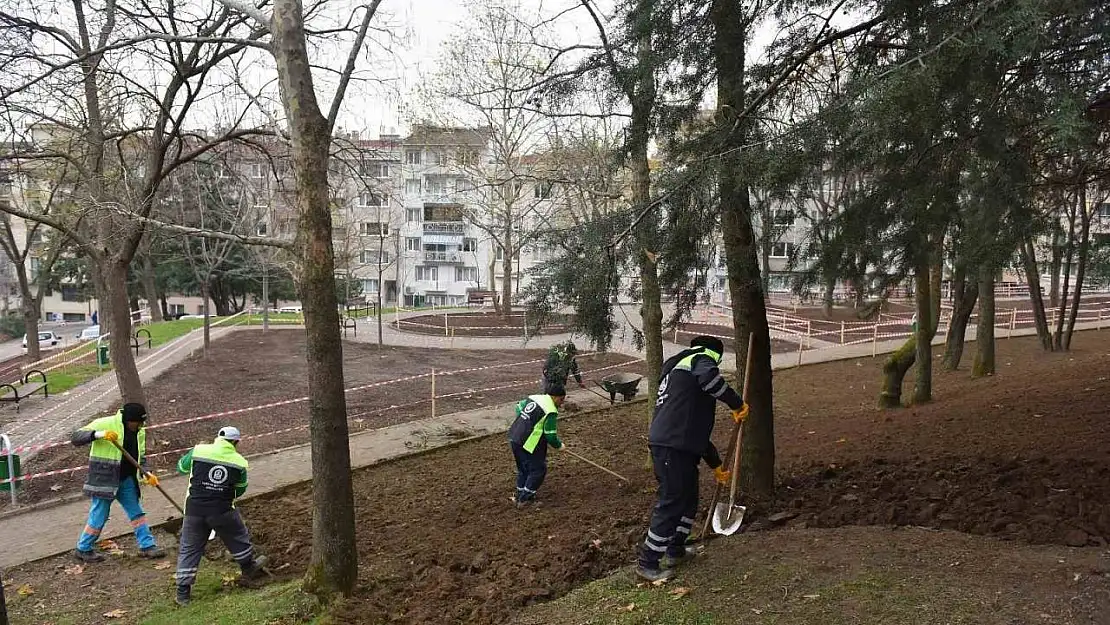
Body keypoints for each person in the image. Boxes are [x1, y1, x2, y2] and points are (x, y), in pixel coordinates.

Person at [636, 336, 749, 582]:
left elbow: (694, 432)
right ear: (714, 355)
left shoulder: (681, 376)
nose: (715, 364)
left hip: (677, 445)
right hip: (671, 447)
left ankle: (676, 550)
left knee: (688, 500)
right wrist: (736, 403)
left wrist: (717, 465)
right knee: (672, 501)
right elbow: (711, 380)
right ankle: (648, 562)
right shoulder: (699, 360)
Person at [173, 426, 268, 606]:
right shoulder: (239, 462)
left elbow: (180, 468)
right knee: (237, 536)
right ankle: (248, 567)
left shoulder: (199, 450)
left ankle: (183, 593)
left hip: (194, 510)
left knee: (189, 547)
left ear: (217, 438)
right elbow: (240, 488)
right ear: (236, 442)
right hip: (222, 510)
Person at [71, 402, 166, 562]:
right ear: (129, 420)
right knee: (99, 515)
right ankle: (83, 548)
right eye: (139, 422)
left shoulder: (139, 432)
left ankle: (147, 546)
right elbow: (75, 438)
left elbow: (139, 456)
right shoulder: (105, 423)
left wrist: (147, 473)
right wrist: (99, 434)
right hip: (105, 479)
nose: (141, 426)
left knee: (136, 512)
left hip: (127, 479)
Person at [507, 385, 567, 506]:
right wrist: (559, 446)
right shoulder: (550, 410)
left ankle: (519, 493)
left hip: (514, 436)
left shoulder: (534, 398)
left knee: (523, 468)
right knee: (538, 470)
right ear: (555, 397)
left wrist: (527, 422)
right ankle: (525, 499)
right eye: (561, 400)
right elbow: (550, 435)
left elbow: (519, 407)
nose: (561, 403)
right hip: (529, 443)